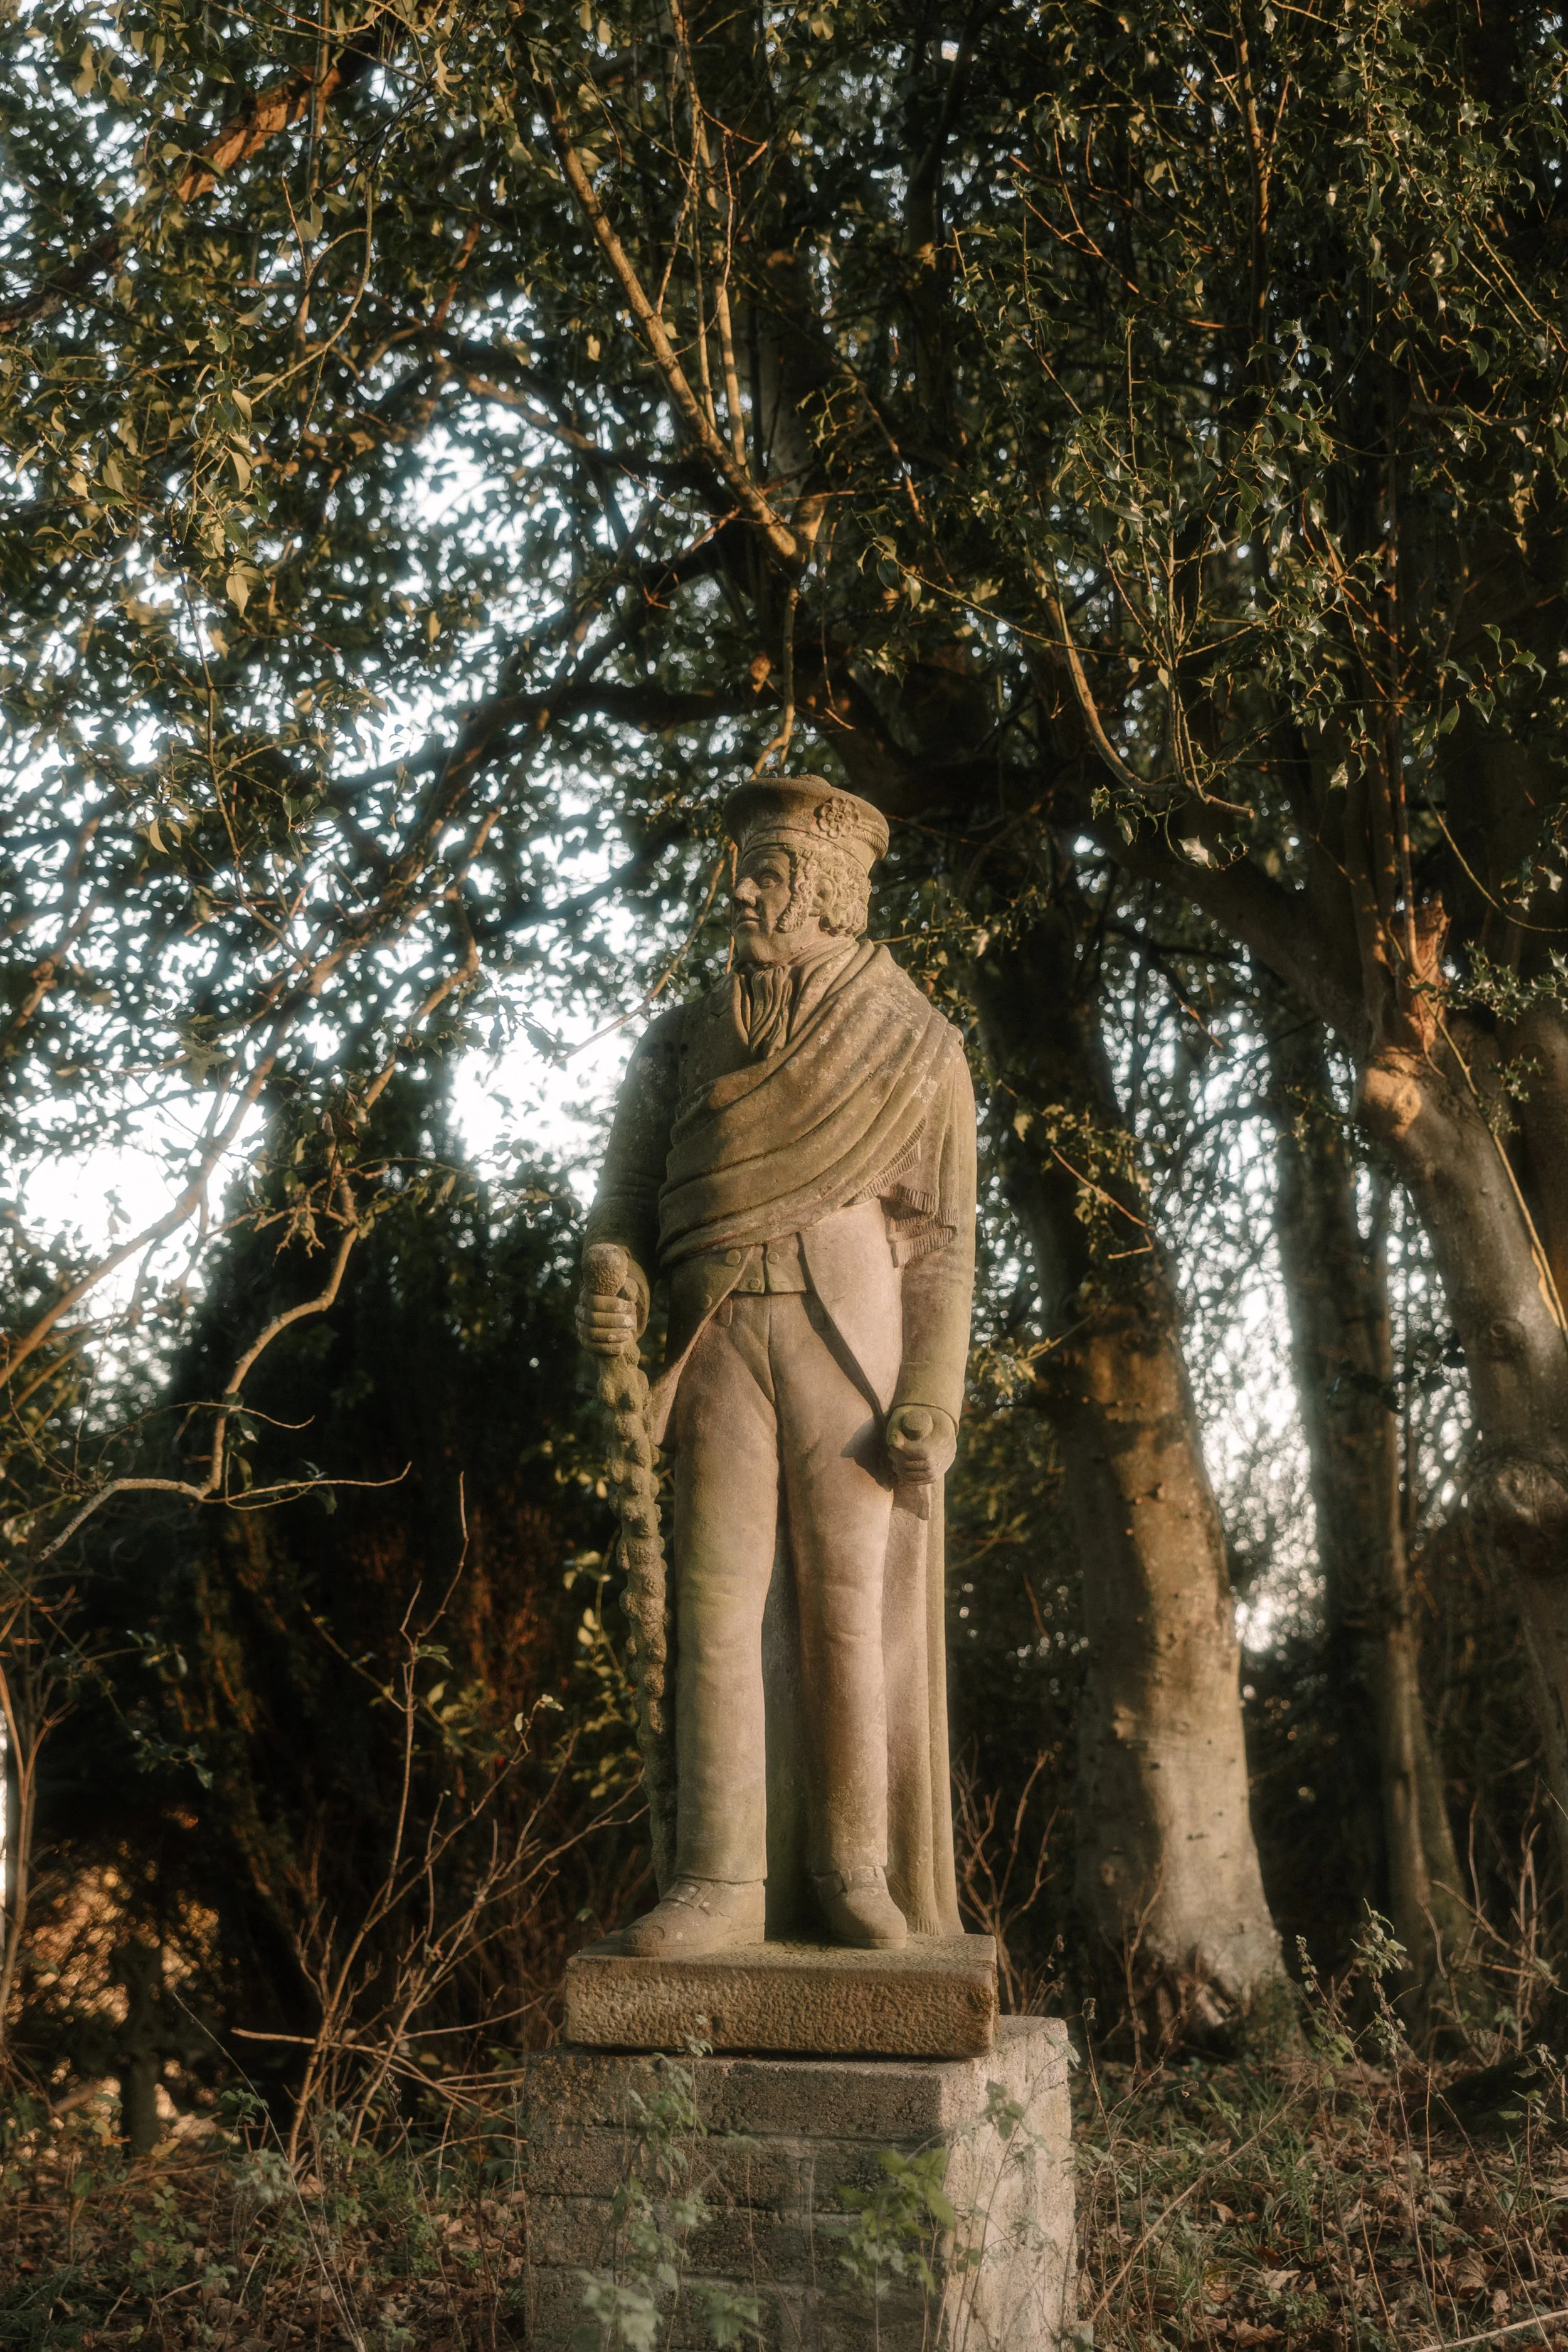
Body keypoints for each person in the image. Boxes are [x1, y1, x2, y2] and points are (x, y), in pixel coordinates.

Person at [577, 776, 976, 1956]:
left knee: (846, 1613)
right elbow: (623, 1200)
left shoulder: (918, 1045)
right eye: (742, 869)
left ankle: (851, 1870)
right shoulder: (680, 1036)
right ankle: (719, 1885)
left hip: (848, 1349)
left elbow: (945, 1243)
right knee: (713, 1610)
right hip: (712, 1348)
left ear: (835, 897)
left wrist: (933, 1394)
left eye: (768, 873)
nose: (740, 891)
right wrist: (611, 1271)